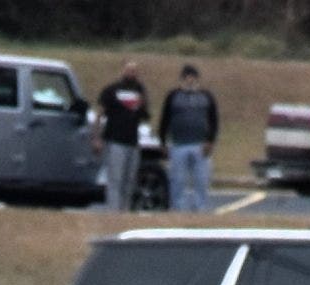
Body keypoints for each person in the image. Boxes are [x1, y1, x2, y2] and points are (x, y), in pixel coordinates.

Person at [93, 59, 152, 213]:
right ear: (123, 71)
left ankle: (124, 212)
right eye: (129, 70)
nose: (132, 73)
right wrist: (97, 137)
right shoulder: (111, 90)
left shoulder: (140, 92)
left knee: (129, 180)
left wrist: (144, 100)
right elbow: (99, 114)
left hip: (132, 142)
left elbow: (145, 116)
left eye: (134, 71)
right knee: (115, 179)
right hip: (114, 140)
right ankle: (113, 212)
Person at [160, 63, 218, 214]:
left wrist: (210, 140)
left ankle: (200, 209)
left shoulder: (206, 96)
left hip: (200, 145)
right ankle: (177, 208)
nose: (190, 80)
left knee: (201, 180)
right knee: (178, 180)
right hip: (179, 144)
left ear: (197, 79)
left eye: (192, 77)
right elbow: (164, 119)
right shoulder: (173, 96)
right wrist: (163, 141)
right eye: (187, 77)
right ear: (182, 79)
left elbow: (214, 120)